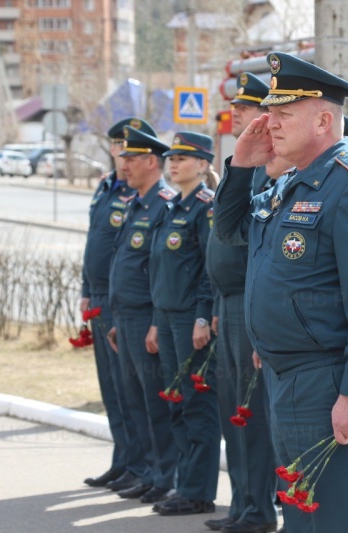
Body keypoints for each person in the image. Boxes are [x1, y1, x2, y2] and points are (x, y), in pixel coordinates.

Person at [214, 51, 348, 532]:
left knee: (337, 517)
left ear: (323, 119)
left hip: (329, 380)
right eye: (269, 113)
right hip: (287, 374)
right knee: (302, 515)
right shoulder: (290, 184)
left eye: (282, 114)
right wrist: (240, 166)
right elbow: (230, 229)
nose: (269, 124)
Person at [204, 71, 279, 533]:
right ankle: (242, 505)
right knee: (233, 411)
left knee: (252, 413)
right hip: (228, 305)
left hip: (252, 306)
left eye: (246, 108)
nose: (236, 114)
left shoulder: (266, 172)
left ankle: (257, 510)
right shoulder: (241, 169)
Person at [107, 123, 180, 504]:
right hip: (127, 317)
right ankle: (150, 471)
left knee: (156, 401)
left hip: (149, 319)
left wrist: (155, 322)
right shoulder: (134, 202)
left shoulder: (164, 203)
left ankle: (166, 476)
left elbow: (160, 271)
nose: (124, 165)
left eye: (131, 159)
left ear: (152, 161)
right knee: (134, 399)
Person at [149, 131, 220, 516]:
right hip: (168, 317)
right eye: (172, 157)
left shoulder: (204, 208)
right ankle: (184, 483)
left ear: (204, 164)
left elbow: (209, 271)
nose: (173, 164)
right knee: (177, 403)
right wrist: (156, 322)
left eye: (184, 158)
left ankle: (199, 491)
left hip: (191, 321)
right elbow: (162, 272)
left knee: (197, 405)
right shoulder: (172, 206)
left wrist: (201, 317)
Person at [81, 117, 141, 491]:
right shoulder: (106, 186)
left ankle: (140, 463)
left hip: (123, 301)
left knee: (132, 389)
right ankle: (123, 459)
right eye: (117, 147)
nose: (121, 155)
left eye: (128, 148)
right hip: (99, 297)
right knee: (112, 389)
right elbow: (94, 243)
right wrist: (85, 289)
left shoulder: (138, 193)